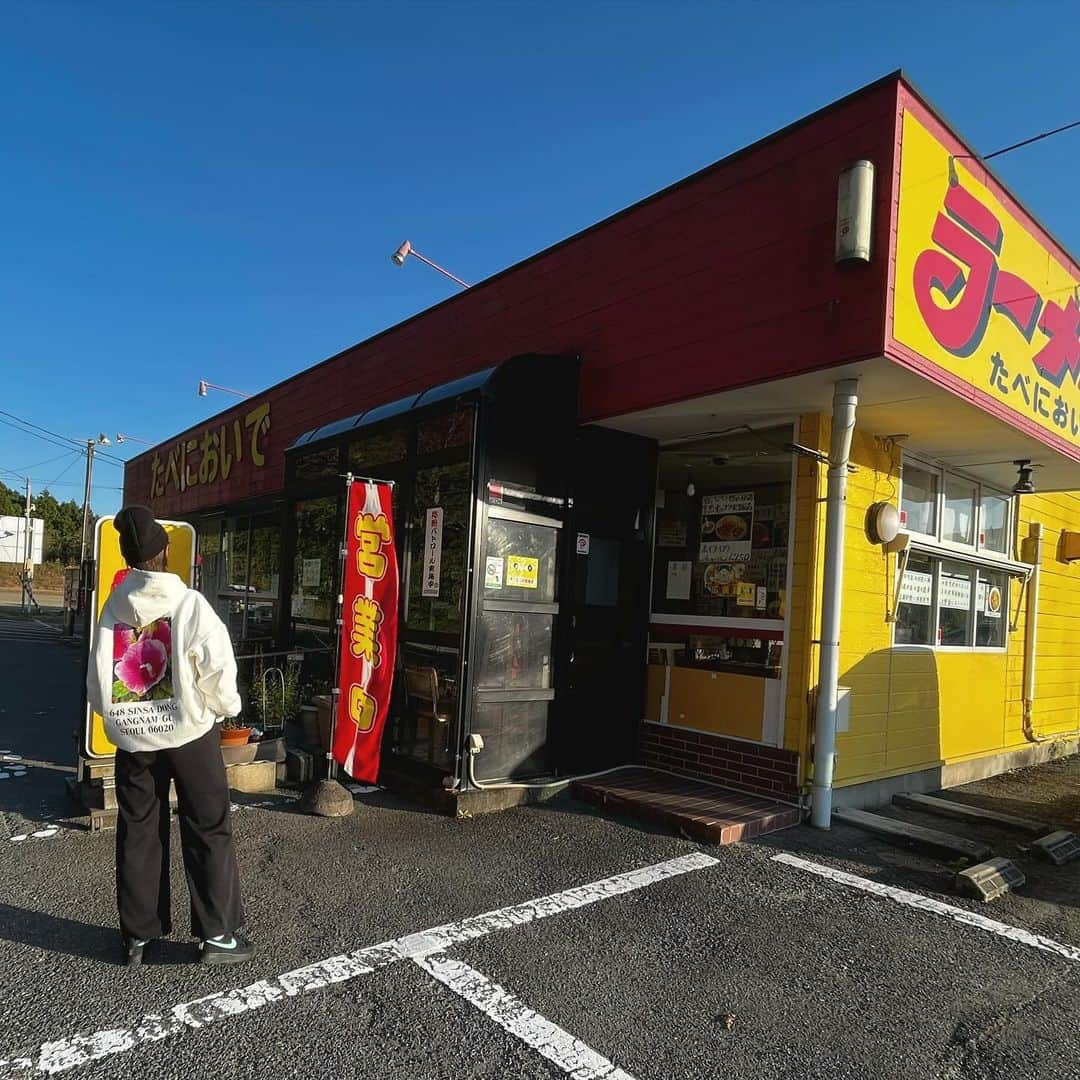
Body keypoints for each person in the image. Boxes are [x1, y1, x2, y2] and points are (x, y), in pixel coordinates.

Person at [87, 505, 254, 967]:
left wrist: (122, 717)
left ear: (128, 558)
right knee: (207, 826)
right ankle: (216, 936)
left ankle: (139, 938)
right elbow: (218, 669)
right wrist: (228, 710)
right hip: (190, 735)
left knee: (139, 829)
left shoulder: (114, 609)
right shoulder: (189, 604)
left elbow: (99, 685)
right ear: (165, 553)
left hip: (134, 739)